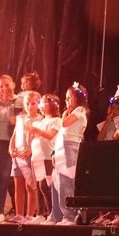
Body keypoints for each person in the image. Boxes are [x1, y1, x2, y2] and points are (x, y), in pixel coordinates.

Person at [43, 82, 88, 225]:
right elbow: (62, 133)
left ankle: (69, 215)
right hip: (61, 147)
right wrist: (54, 152)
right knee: (56, 181)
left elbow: (65, 123)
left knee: (66, 182)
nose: (67, 100)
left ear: (79, 98)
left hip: (70, 148)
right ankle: (55, 215)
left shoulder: (80, 110)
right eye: (66, 97)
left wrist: (65, 114)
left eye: (70, 97)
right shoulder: (69, 113)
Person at [27, 94, 61, 223]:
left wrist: (36, 130)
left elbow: (50, 136)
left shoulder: (56, 121)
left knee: (45, 186)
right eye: (41, 103)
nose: (41, 106)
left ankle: (52, 213)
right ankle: (40, 214)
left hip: (47, 157)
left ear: (53, 105)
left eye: (45, 103)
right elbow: (31, 141)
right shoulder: (40, 122)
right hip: (36, 157)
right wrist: (30, 133)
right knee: (37, 187)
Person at [9, 91, 42, 223]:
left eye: (33, 103)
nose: (30, 106)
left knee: (30, 185)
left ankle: (29, 215)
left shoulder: (40, 119)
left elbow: (40, 138)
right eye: (27, 104)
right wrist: (10, 147)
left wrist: (31, 150)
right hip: (17, 155)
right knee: (18, 185)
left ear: (38, 104)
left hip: (30, 156)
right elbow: (15, 134)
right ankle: (19, 214)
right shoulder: (20, 118)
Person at [0, 74, 17, 223]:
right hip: (1, 142)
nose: (4, 88)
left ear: (13, 84)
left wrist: (16, 122)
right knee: (3, 176)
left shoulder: (20, 101)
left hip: (17, 142)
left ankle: (19, 211)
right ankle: (0, 212)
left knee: (17, 178)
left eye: (6, 85)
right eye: (1, 86)